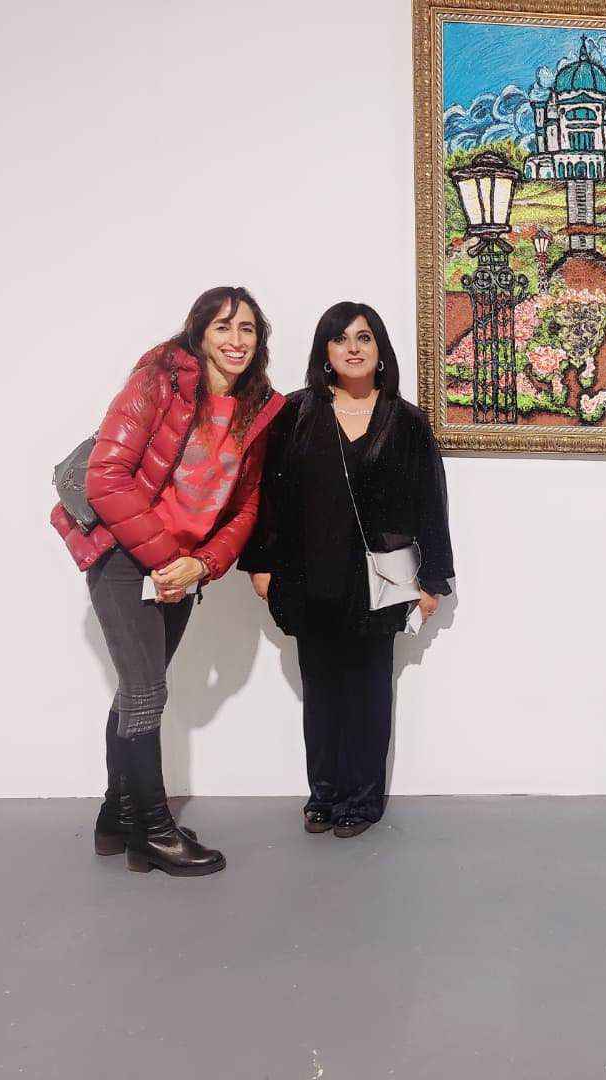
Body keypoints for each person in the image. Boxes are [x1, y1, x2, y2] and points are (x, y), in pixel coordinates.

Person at [52, 286, 284, 876]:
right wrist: (164, 561)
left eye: (248, 329)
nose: (236, 340)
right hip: (124, 556)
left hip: (182, 568)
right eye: (223, 327)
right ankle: (153, 833)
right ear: (199, 332)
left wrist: (201, 565)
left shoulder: (256, 408)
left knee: (139, 689)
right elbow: (106, 476)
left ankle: (116, 819)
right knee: (146, 692)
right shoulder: (159, 381)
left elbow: (246, 507)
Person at [241, 302, 454, 839]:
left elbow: (431, 503)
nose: (352, 348)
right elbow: (270, 495)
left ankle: (362, 798)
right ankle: (325, 793)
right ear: (324, 351)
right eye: (340, 339)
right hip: (309, 576)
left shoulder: (406, 421)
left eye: (364, 338)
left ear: (381, 350)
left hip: (380, 582)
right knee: (321, 691)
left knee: (369, 690)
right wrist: (261, 565)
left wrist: (433, 582)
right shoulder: (295, 414)